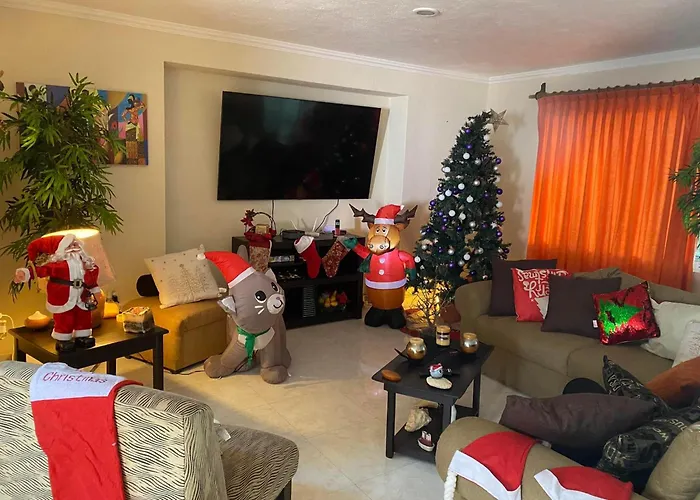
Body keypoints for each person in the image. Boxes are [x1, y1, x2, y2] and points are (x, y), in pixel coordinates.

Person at [14, 234, 101, 352]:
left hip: (82, 296)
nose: (74, 247)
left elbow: (91, 279)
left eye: (75, 244)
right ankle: (63, 339)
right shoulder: (56, 266)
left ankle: (83, 336)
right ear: (62, 249)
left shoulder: (85, 263)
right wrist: (25, 273)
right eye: (70, 245)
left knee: (83, 317)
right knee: (64, 318)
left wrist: (95, 291)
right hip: (63, 297)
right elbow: (41, 270)